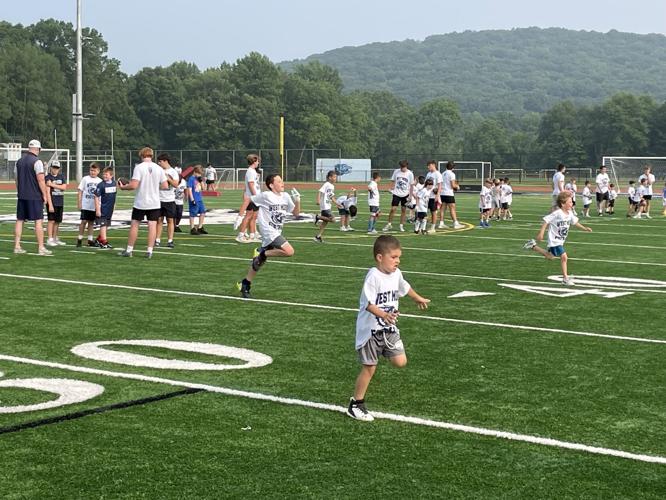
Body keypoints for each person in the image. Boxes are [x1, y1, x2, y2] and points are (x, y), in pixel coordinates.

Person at [347, 235, 430, 421]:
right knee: (369, 368)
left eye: (399, 257)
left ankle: (384, 351)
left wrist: (416, 297)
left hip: (388, 328)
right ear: (379, 257)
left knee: (400, 361)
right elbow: (368, 304)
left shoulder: (396, 274)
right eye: (393, 257)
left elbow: (404, 287)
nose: (397, 261)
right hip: (370, 331)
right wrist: (384, 315)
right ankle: (356, 404)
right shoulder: (373, 276)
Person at [236, 175, 300, 299]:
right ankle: (262, 253)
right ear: (271, 185)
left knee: (259, 262)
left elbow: (296, 213)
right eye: (279, 181)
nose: (282, 183)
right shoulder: (266, 195)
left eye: (282, 180)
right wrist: (240, 216)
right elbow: (249, 199)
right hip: (268, 231)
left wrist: (297, 200)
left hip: (276, 231)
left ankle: (245, 284)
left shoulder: (286, 196)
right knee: (289, 251)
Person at [523, 191, 592, 286]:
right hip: (554, 240)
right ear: (563, 204)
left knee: (550, 256)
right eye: (570, 202)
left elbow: (575, 222)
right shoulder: (558, 213)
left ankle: (533, 246)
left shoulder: (570, 213)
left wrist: (585, 228)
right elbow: (546, 220)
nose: (572, 203)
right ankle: (565, 278)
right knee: (564, 257)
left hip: (560, 239)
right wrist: (541, 233)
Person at [118, 147, 168, 258]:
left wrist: (123, 187)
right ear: (151, 156)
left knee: (135, 225)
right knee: (152, 226)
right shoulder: (158, 168)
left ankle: (129, 250)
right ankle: (149, 251)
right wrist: (154, 186)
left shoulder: (139, 167)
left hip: (141, 201)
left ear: (141, 155)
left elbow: (134, 185)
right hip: (154, 202)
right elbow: (165, 186)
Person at [13, 139, 52, 255]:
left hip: (22, 195)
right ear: (38, 149)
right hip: (34, 196)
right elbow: (41, 180)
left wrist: (20, 190)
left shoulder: (18, 161)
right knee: (38, 221)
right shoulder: (37, 162)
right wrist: (44, 194)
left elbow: (16, 179)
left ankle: (16, 246)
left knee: (20, 220)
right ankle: (41, 248)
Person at [155, 153, 180, 248]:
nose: (159, 163)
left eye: (160, 161)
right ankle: (157, 240)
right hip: (159, 199)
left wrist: (168, 178)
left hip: (169, 200)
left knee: (170, 220)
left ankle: (170, 240)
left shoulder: (173, 172)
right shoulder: (158, 171)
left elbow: (176, 184)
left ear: (166, 161)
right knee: (159, 220)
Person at [236, 154, 261, 243]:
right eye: (257, 161)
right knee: (248, 216)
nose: (258, 163)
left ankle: (252, 235)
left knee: (254, 217)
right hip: (252, 197)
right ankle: (241, 235)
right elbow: (250, 185)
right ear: (254, 161)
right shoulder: (250, 171)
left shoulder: (253, 171)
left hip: (254, 197)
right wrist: (256, 196)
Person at [383, 160, 414, 232]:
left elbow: (411, 185)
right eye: (401, 167)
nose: (402, 169)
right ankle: (389, 224)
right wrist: (391, 188)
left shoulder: (410, 173)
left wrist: (410, 196)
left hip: (405, 194)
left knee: (403, 210)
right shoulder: (396, 171)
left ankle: (401, 225)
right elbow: (392, 181)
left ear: (406, 166)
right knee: (393, 209)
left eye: (403, 167)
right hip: (396, 193)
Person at [76, 162, 102, 247]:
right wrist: (79, 202)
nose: (92, 172)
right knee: (83, 221)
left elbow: (100, 195)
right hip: (85, 204)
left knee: (91, 222)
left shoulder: (100, 181)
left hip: (94, 205)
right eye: (91, 170)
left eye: (94, 171)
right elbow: (80, 191)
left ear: (98, 171)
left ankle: (90, 240)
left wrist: (99, 206)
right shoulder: (85, 179)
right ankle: (79, 238)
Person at [45, 160, 67, 247]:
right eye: (54, 168)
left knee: (58, 221)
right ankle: (50, 239)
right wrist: (50, 204)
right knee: (51, 221)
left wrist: (53, 185)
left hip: (60, 202)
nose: (55, 170)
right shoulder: (48, 177)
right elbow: (47, 192)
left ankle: (55, 238)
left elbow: (64, 187)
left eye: (57, 168)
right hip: (52, 202)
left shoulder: (61, 176)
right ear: (51, 168)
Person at [94, 167, 117, 249]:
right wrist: (97, 209)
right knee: (103, 225)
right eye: (103, 174)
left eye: (106, 174)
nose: (104, 176)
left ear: (111, 175)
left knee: (106, 225)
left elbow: (114, 195)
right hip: (102, 208)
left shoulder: (114, 183)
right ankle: (104, 241)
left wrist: (114, 205)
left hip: (109, 208)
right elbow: (96, 197)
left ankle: (99, 239)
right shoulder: (101, 185)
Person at [439, 161, 464, 229]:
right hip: (449, 193)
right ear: (453, 167)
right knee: (452, 208)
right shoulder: (452, 174)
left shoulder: (443, 173)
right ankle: (455, 223)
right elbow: (452, 185)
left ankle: (441, 223)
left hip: (442, 193)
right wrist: (457, 187)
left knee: (442, 209)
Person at [314, 170, 337, 243]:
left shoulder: (332, 186)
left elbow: (331, 196)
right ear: (330, 177)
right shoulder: (326, 184)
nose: (335, 178)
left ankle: (318, 236)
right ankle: (318, 217)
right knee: (333, 220)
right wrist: (318, 200)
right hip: (325, 206)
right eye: (334, 177)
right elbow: (320, 191)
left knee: (325, 223)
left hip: (328, 205)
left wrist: (337, 203)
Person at [186, 165, 207, 235]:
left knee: (203, 212)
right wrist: (192, 199)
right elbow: (189, 190)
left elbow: (204, 189)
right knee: (193, 214)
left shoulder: (199, 179)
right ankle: (192, 228)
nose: (199, 175)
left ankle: (200, 227)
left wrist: (201, 181)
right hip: (194, 199)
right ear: (195, 172)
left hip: (199, 198)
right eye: (198, 173)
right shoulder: (191, 179)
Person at [424, 160, 442, 233]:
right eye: (428, 166)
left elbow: (440, 186)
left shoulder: (438, 174)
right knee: (424, 211)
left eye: (429, 165)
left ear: (433, 165)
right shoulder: (428, 174)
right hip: (427, 196)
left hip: (433, 196)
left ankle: (433, 228)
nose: (428, 167)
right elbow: (425, 184)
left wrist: (437, 195)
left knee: (433, 212)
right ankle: (423, 227)